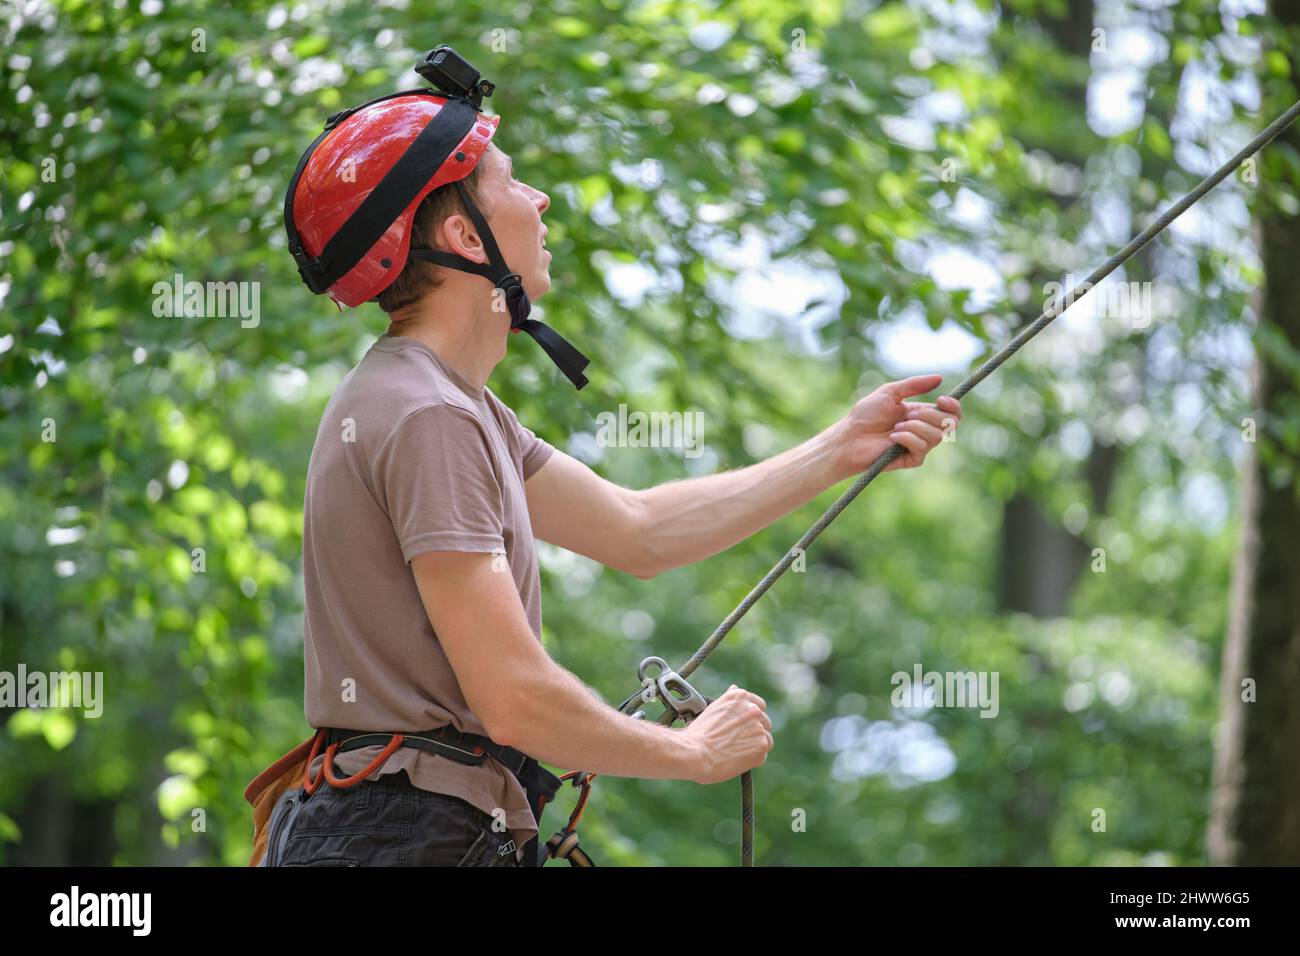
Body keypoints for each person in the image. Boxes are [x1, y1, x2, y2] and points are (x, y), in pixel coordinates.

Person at [275, 55, 962, 867]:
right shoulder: (427, 416)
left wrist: (837, 450)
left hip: (405, 831)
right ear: (465, 236)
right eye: (511, 181)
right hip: (405, 836)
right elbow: (514, 698)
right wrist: (692, 753)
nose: (540, 199)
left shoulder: (447, 406)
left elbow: (640, 532)